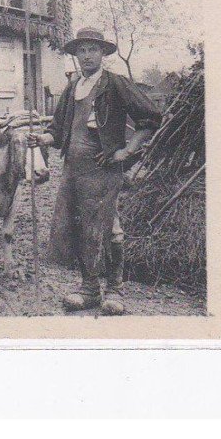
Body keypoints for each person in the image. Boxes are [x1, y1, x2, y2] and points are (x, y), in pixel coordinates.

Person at [28, 27, 162, 315]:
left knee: (109, 229)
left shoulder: (115, 84)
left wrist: (126, 150)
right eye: (82, 50)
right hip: (73, 169)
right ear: (75, 55)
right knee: (79, 227)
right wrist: (42, 139)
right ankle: (88, 288)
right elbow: (59, 130)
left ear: (102, 53)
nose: (87, 55)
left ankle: (115, 290)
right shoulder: (73, 87)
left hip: (103, 168)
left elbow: (149, 119)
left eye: (92, 49)